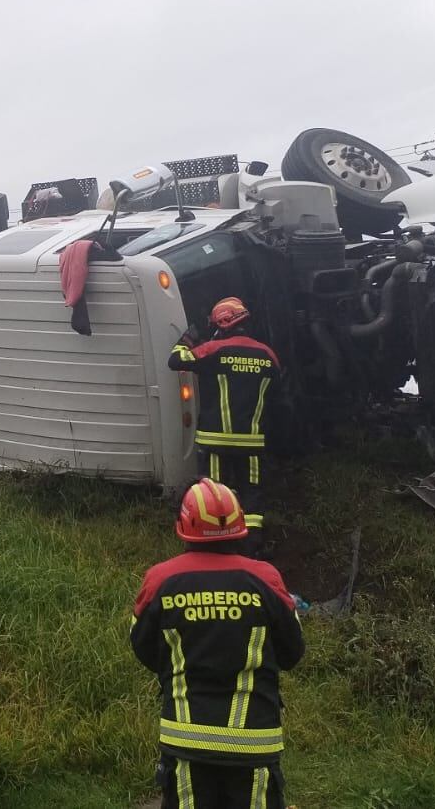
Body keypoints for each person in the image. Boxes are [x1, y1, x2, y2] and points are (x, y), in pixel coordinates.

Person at [132, 479, 305, 808]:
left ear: (183, 527)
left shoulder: (160, 581)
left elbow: (143, 648)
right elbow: (292, 652)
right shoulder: (266, 580)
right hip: (254, 742)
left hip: (186, 741)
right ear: (240, 526)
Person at [168, 298, 280, 531]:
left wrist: (188, 337)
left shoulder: (213, 350)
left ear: (222, 324)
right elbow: (276, 396)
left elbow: (176, 359)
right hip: (252, 442)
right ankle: (252, 547)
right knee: (252, 499)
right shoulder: (268, 355)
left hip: (215, 441)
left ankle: (218, 545)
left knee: (216, 496)